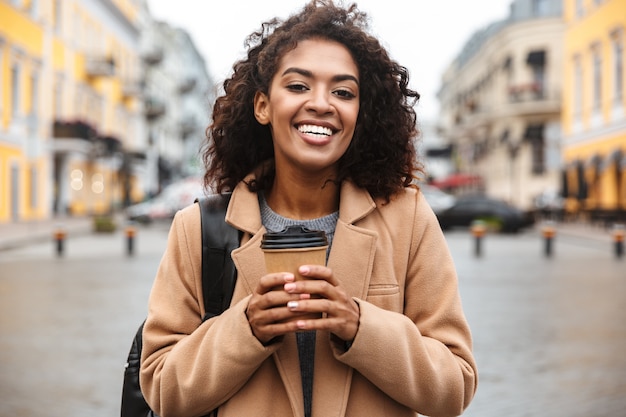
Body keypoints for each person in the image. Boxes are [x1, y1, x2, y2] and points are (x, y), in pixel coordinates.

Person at [140, 1, 478, 416]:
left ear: (360, 113)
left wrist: (360, 326)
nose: (322, 103)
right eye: (298, 86)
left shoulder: (408, 218)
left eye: (343, 92)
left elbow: (454, 387)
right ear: (263, 106)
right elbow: (161, 389)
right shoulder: (198, 229)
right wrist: (244, 328)